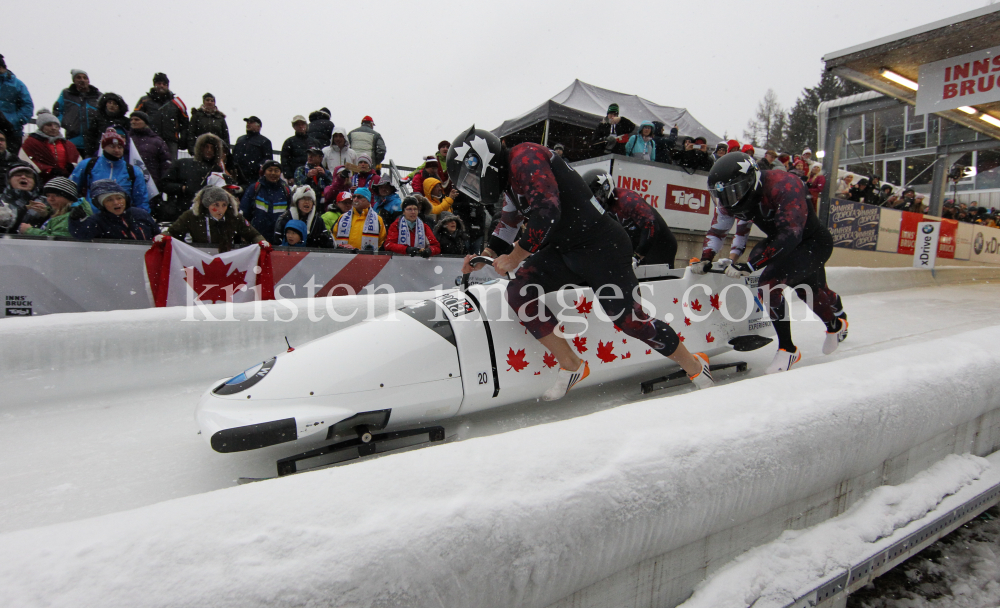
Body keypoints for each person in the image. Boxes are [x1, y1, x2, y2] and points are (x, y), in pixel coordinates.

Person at [451, 126, 713, 401]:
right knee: (519, 289)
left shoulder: (524, 158)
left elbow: (547, 210)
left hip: (603, 248)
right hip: (566, 250)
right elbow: (508, 223)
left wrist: (515, 256)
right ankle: (572, 366)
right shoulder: (511, 180)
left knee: (631, 321)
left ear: (482, 162)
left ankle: (695, 366)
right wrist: (487, 255)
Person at [692, 152, 848, 374]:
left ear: (750, 181)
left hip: (810, 241)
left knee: (774, 285)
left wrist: (751, 265)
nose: (727, 200)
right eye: (722, 195)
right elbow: (718, 229)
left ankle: (789, 348)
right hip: (780, 240)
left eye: (732, 192)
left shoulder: (784, 184)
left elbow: (791, 233)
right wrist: (706, 258)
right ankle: (835, 324)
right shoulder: (732, 199)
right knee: (808, 291)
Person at [584, 169, 678, 267]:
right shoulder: (600, 210)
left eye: (596, 195)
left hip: (659, 245)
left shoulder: (627, 199)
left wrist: (637, 255)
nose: (595, 200)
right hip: (637, 243)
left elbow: (650, 225)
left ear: (606, 188)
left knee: (650, 278)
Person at [70, 128, 149, 213]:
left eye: (120, 147)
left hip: (121, 218)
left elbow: (141, 199)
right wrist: (76, 207)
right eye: (112, 146)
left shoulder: (133, 171)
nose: (116, 150)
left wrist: (143, 219)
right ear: (104, 147)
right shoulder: (88, 164)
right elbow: (71, 188)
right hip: (93, 217)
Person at [166, 185, 264, 252]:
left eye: (224, 205)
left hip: (227, 258)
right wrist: (163, 238)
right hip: (198, 257)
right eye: (216, 205)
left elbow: (253, 234)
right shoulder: (191, 216)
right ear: (207, 205)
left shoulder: (234, 217)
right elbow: (172, 232)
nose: (220, 209)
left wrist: (261, 242)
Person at [159, 133, 226, 222]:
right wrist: (182, 188)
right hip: (180, 211)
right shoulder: (182, 163)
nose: (209, 150)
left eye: (212, 148)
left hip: (205, 215)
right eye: (206, 147)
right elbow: (163, 184)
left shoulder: (217, 169)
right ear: (200, 148)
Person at [68, 178, 159, 241]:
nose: (116, 202)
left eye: (119, 198)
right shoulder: (96, 221)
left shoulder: (140, 214)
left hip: (146, 261)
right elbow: (81, 235)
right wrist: (75, 221)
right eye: (109, 200)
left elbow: (157, 236)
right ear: (102, 204)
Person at [133, 73, 188, 161]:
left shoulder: (177, 103)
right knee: (150, 165)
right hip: (149, 139)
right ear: (154, 84)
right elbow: (135, 118)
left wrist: (183, 139)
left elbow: (185, 122)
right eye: (159, 83)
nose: (161, 86)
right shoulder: (144, 100)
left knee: (171, 168)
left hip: (171, 141)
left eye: (164, 84)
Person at [240, 159, 292, 245]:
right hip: (256, 237)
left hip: (278, 238)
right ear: (264, 172)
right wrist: (244, 232)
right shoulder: (255, 188)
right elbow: (244, 211)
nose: (273, 173)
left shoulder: (286, 190)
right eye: (270, 170)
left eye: (276, 171)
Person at [21, 109, 80, 185]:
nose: (53, 128)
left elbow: (78, 161)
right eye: (49, 125)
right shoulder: (31, 143)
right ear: (41, 127)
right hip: (42, 182)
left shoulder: (69, 145)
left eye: (56, 125)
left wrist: (72, 166)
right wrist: (48, 170)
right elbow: (28, 161)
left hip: (66, 181)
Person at [18, 177, 92, 237]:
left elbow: (56, 242)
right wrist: (48, 212)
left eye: (57, 195)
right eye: (48, 196)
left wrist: (29, 231)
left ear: (69, 198)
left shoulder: (73, 218)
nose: (50, 199)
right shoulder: (67, 212)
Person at [52, 69, 101, 155]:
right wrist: (65, 123)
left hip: (95, 142)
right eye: (78, 77)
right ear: (74, 80)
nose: (82, 80)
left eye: (84, 78)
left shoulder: (98, 96)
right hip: (73, 141)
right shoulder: (66, 94)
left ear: (88, 80)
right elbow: (57, 111)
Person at [128, 111, 171, 189]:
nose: (133, 122)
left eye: (137, 119)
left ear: (146, 122)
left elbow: (165, 163)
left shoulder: (157, 141)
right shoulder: (126, 139)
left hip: (151, 183)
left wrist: (162, 181)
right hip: (128, 181)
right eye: (131, 120)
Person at [0, 54, 34, 155]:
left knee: (10, 162)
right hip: (12, 130)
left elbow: (27, 106)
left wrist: (14, 122)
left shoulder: (17, 84)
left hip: (12, 132)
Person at [332, 186, 385, 250]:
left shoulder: (378, 219)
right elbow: (333, 238)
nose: (355, 199)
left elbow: (382, 242)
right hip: (345, 257)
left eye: (359, 197)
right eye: (354, 197)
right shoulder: (342, 217)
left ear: (367, 200)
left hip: (367, 258)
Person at [0, 164, 47, 234]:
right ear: (9, 180)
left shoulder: (47, 201)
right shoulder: (1, 200)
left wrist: (47, 214)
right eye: (18, 174)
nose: (23, 177)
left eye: (29, 176)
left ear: (35, 182)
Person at [233, 116, 273, 186]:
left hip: (253, 177)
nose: (248, 124)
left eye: (251, 122)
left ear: (259, 127)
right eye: (248, 122)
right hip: (238, 175)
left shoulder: (264, 141)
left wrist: (256, 167)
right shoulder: (240, 139)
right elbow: (234, 155)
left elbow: (268, 159)